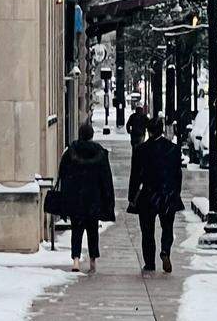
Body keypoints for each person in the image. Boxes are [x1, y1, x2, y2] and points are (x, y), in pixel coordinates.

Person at [57, 122, 115, 274]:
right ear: (91, 135)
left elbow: (63, 174)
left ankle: (76, 259)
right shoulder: (100, 153)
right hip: (93, 197)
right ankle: (93, 260)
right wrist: (107, 199)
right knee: (92, 230)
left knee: (77, 229)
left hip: (76, 197)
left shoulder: (71, 152)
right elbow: (106, 179)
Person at [128, 117, 184, 274]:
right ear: (162, 130)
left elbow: (135, 175)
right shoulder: (173, 149)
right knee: (167, 227)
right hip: (167, 194)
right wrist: (175, 193)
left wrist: (132, 196)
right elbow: (177, 174)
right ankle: (165, 250)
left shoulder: (141, 150)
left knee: (147, 231)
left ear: (148, 131)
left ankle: (150, 262)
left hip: (148, 194)